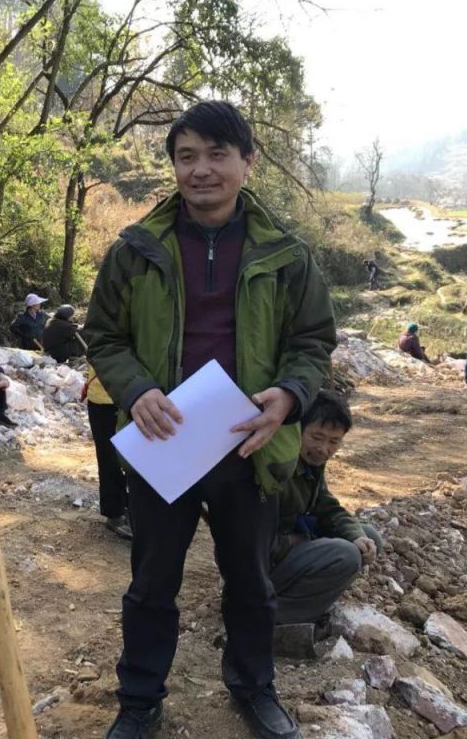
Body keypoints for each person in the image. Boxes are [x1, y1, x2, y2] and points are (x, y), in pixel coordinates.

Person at [86, 101, 335, 739]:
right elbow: (104, 336)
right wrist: (136, 389)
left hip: (248, 446)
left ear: (247, 162)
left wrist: (287, 397)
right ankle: (139, 700)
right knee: (150, 584)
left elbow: (312, 343)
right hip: (164, 442)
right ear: (173, 165)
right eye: (186, 156)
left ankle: (254, 688)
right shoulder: (136, 250)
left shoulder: (288, 256)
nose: (201, 170)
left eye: (217, 154)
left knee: (251, 583)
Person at [270, 392, 383, 626]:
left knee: (368, 537)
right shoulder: (278, 468)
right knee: (345, 554)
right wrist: (302, 541)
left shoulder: (311, 464)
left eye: (334, 441)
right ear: (297, 430)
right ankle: (272, 618)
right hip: (259, 565)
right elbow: (254, 540)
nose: (323, 449)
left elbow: (328, 507)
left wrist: (356, 535)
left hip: (288, 550)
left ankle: (301, 603)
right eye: (316, 437)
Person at [82, 364, 131, 539]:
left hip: (133, 395)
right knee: (110, 458)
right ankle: (115, 513)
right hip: (104, 398)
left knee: (134, 458)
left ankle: (131, 509)